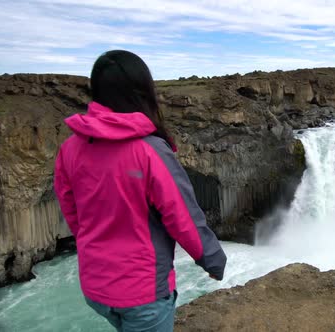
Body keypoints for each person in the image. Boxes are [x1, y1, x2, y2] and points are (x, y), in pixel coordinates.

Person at [54, 50, 227, 332]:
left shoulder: (70, 148)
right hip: (142, 291)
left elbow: (72, 211)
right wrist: (212, 259)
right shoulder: (149, 151)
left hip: (95, 286)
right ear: (142, 92)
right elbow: (182, 214)